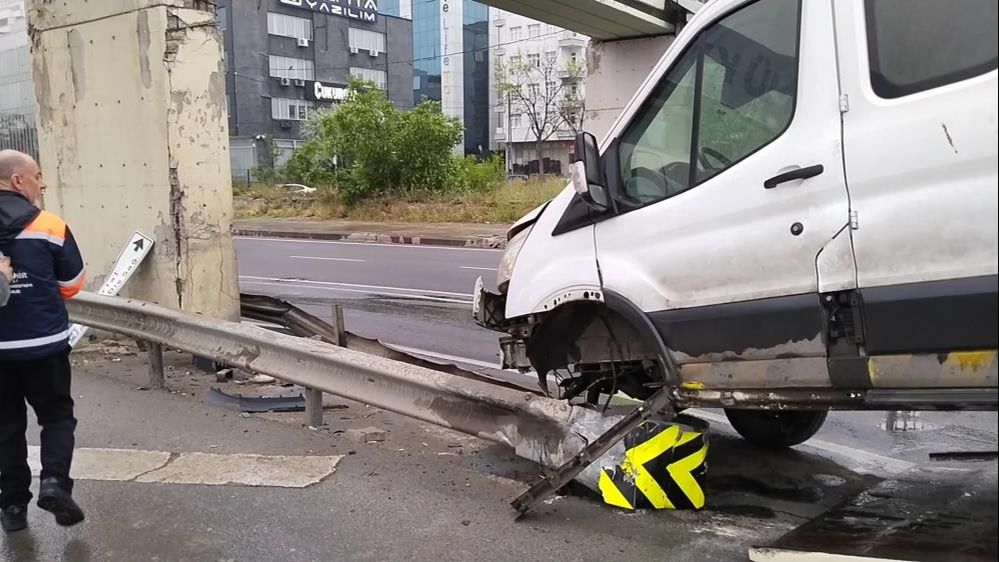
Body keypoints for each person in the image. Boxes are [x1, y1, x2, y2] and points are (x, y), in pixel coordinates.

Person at [0, 149, 86, 533]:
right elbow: (72, 285)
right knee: (56, 416)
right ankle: (54, 484)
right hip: (43, 343)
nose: (43, 182)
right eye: (37, 175)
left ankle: (13, 507)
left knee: (5, 426)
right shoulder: (49, 225)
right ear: (17, 181)